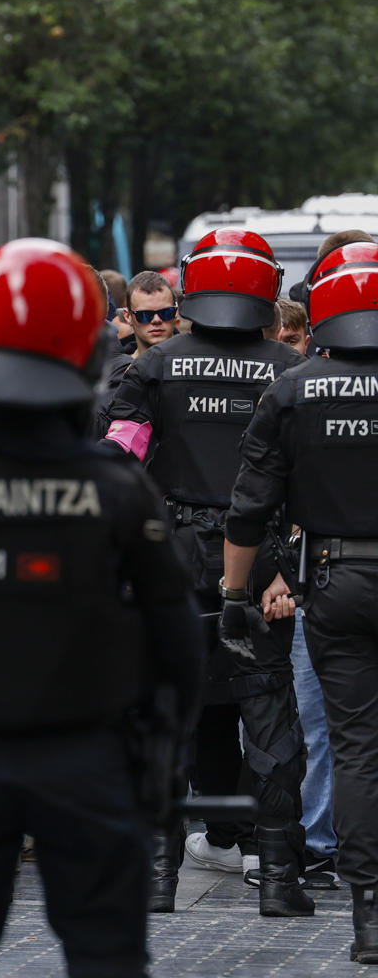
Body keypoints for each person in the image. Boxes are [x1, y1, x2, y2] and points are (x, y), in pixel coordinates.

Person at [0, 238, 201, 977]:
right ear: (87, 356)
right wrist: (161, 748)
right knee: (106, 957)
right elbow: (176, 635)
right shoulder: (117, 492)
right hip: (90, 757)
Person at [103, 228, 308, 915]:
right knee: (270, 721)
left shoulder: (153, 367)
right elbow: (313, 482)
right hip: (262, 562)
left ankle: (158, 879)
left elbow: (119, 465)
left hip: (170, 561)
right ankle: (278, 879)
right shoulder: (288, 369)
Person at [222, 241, 378, 961]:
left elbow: (250, 506)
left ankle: (368, 917)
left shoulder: (293, 389)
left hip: (339, 582)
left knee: (355, 751)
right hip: (337, 578)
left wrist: (235, 591)